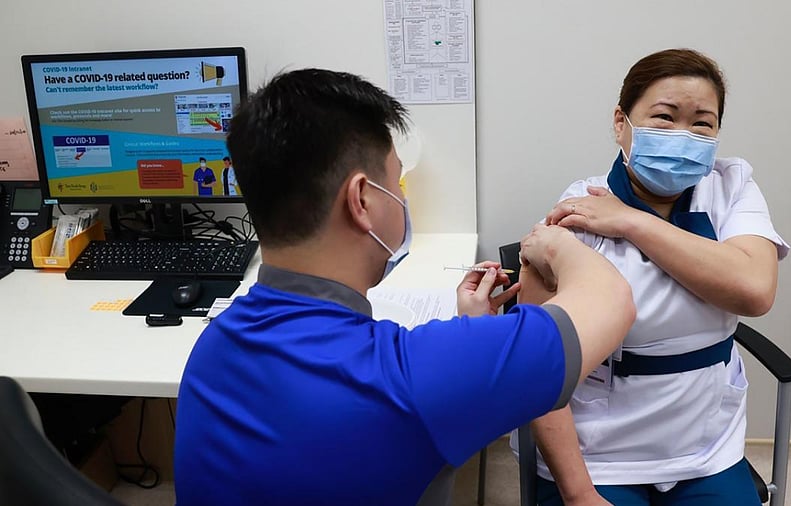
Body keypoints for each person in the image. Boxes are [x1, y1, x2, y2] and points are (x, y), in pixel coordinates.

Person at [173, 68, 636, 506]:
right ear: (362, 201)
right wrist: (554, 243)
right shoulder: (412, 377)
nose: (402, 197)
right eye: (397, 181)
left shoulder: (211, 348)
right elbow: (611, 299)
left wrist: (473, 332)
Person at [528, 49, 790, 506]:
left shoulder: (732, 186)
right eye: (664, 117)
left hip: (706, 444)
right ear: (620, 122)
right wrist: (579, 494)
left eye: (702, 123)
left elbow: (754, 290)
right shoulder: (579, 206)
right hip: (600, 449)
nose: (683, 136)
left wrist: (631, 222)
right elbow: (537, 365)